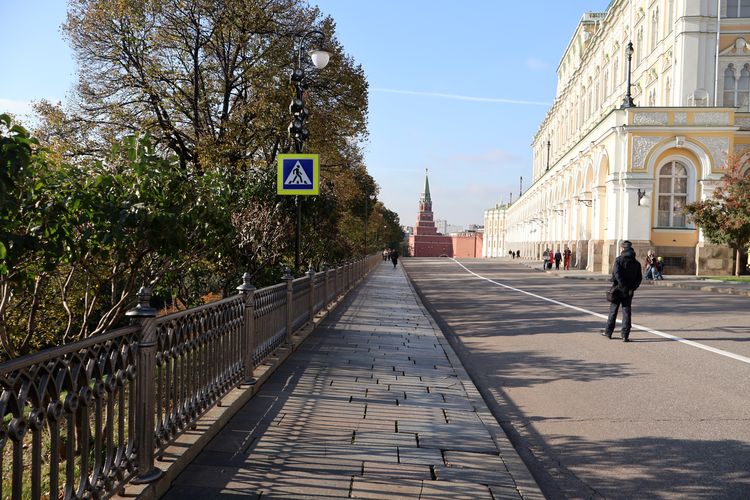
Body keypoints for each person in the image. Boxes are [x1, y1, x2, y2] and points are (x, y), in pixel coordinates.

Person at [601, 240, 642, 342]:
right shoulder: (636, 263)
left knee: (613, 311)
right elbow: (639, 278)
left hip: (618, 289)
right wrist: (632, 288)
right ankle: (625, 335)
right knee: (626, 312)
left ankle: (608, 332)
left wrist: (622, 286)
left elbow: (616, 274)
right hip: (629, 291)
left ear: (623, 249)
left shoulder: (619, 260)